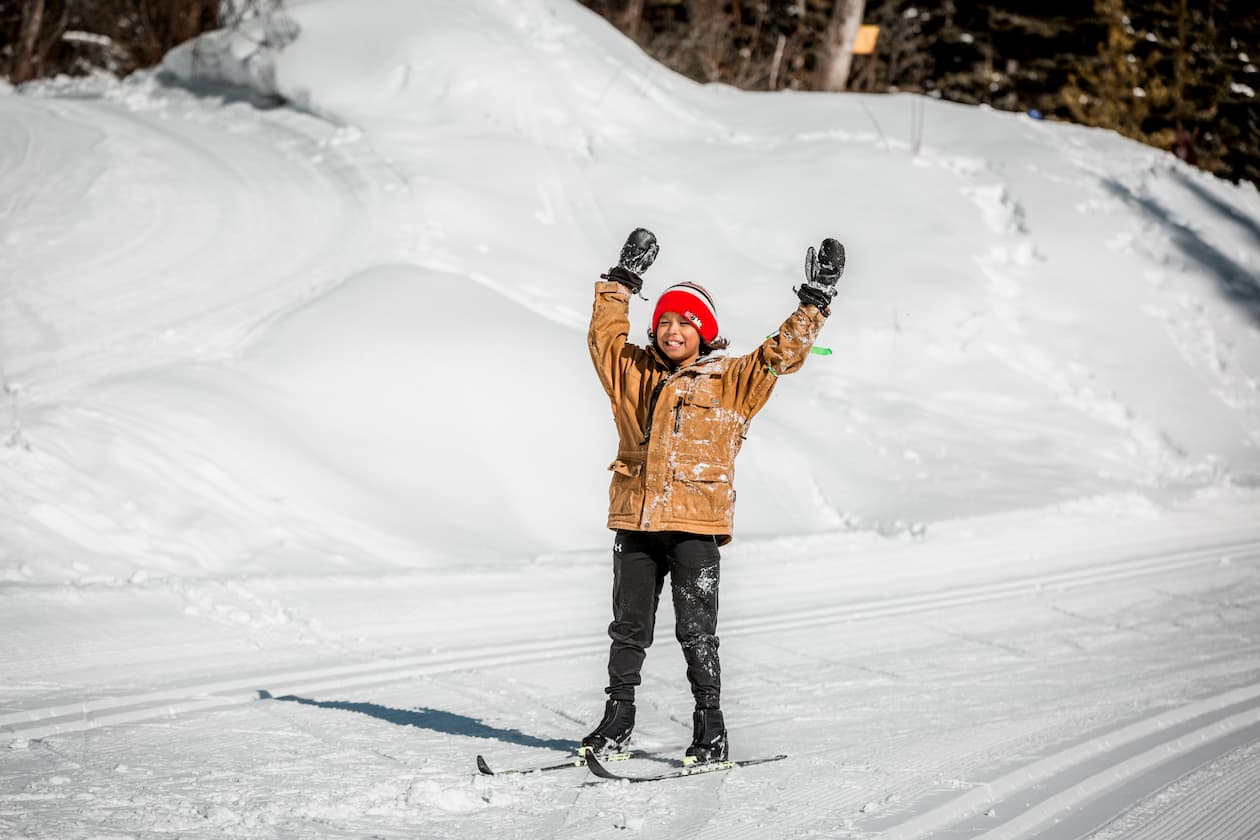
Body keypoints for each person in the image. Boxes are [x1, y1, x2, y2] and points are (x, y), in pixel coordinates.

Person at [581, 228, 843, 764]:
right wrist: (621, 282)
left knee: (696, 631)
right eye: (666, 321)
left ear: (705, 333)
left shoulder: (733, 381)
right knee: (628, 629)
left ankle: (711, 726)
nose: (673, 330)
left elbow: (781, 355)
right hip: (636, 520)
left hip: (696, 527)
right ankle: (617, 720)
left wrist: (815, 302)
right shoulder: (630, 371)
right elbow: (603, 338)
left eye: (686, 322)